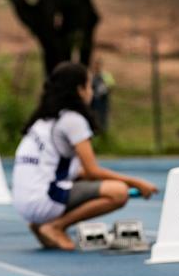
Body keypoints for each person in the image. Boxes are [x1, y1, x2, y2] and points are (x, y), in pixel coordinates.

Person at [12, 62, 157, 250]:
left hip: (24, 202)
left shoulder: (42, 120)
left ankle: (40, 224)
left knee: (85, 184)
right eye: (89, 86)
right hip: (44, 199)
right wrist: (136, 182)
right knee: (118, 192)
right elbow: (92, 171)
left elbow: (76, 172)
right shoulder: (72, 120)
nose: (91, 91)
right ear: (80, 90)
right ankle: (56, 226)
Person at [89, 57, 115, 132]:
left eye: (97, 64)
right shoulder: (91, 75)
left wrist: (105, 89)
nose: (96, 66)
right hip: (92, 100)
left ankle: (103, 131)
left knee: (102, 116)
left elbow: (111, 86)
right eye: (95, 65)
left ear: (100, 65)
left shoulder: (105, 75)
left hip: (103, 100)